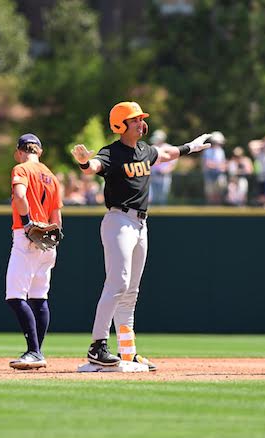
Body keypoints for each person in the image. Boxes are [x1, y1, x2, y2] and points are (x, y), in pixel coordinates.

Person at [71, 101, 211, 370]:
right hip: (118, 220)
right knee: (118, 283)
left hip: (140, 224)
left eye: (140, 118)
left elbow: (167, 154)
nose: (140, 122)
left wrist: (191, 147)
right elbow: (94, 167)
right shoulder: (112, 152)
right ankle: (97, 346)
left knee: (131, 292)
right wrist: (83, 163)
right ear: (120, 125)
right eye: (134, 119)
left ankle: (127, 352)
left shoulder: (145, 150)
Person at [5, 133, 63, 370]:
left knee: (15, 296)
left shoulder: (21, 169)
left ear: (20, 151)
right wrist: (53, 239)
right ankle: (37, 352)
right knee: (39, 297)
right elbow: (57, 218)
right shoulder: (52, 176)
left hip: (27, 234)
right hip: (47, 240)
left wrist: (28, 222)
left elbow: (20, 196)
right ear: (40, 151)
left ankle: (34, 351)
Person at [148, 129, 176, 205]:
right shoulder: (152, 148)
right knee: (152, 197)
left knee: (163, 196)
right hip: (152, 175)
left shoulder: (169, 148)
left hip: (164, 176)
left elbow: (172, 165)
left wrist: (164, 171)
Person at [201, 131, 227, 204]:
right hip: (210, 175)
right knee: (210, 193)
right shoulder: (207, 151)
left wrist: (221, 166)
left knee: (219, 193)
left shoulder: (221, 151)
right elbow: (208, 164)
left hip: (219, 175)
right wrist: (218, 166)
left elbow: (223, 164)